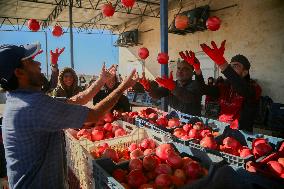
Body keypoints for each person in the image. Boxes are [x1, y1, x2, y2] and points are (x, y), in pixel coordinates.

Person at [0, 43, 137, 188]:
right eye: (31, 61)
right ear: (19, 72)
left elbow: (76, 100)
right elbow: (95, 114)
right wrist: (122, 87)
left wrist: (101, 80)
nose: (39, 63)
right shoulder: (33, 105)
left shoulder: (20, 99)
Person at [180, 41, 262, 132]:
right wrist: (197, 69)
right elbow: (203, 89)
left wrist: (221, 63)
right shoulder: (225, 86)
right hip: (221, 129)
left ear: (245, 72)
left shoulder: (253, 88)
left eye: (236, 66)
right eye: (230, 66)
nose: (231, 68)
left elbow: (242, 89)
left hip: (241, 134)